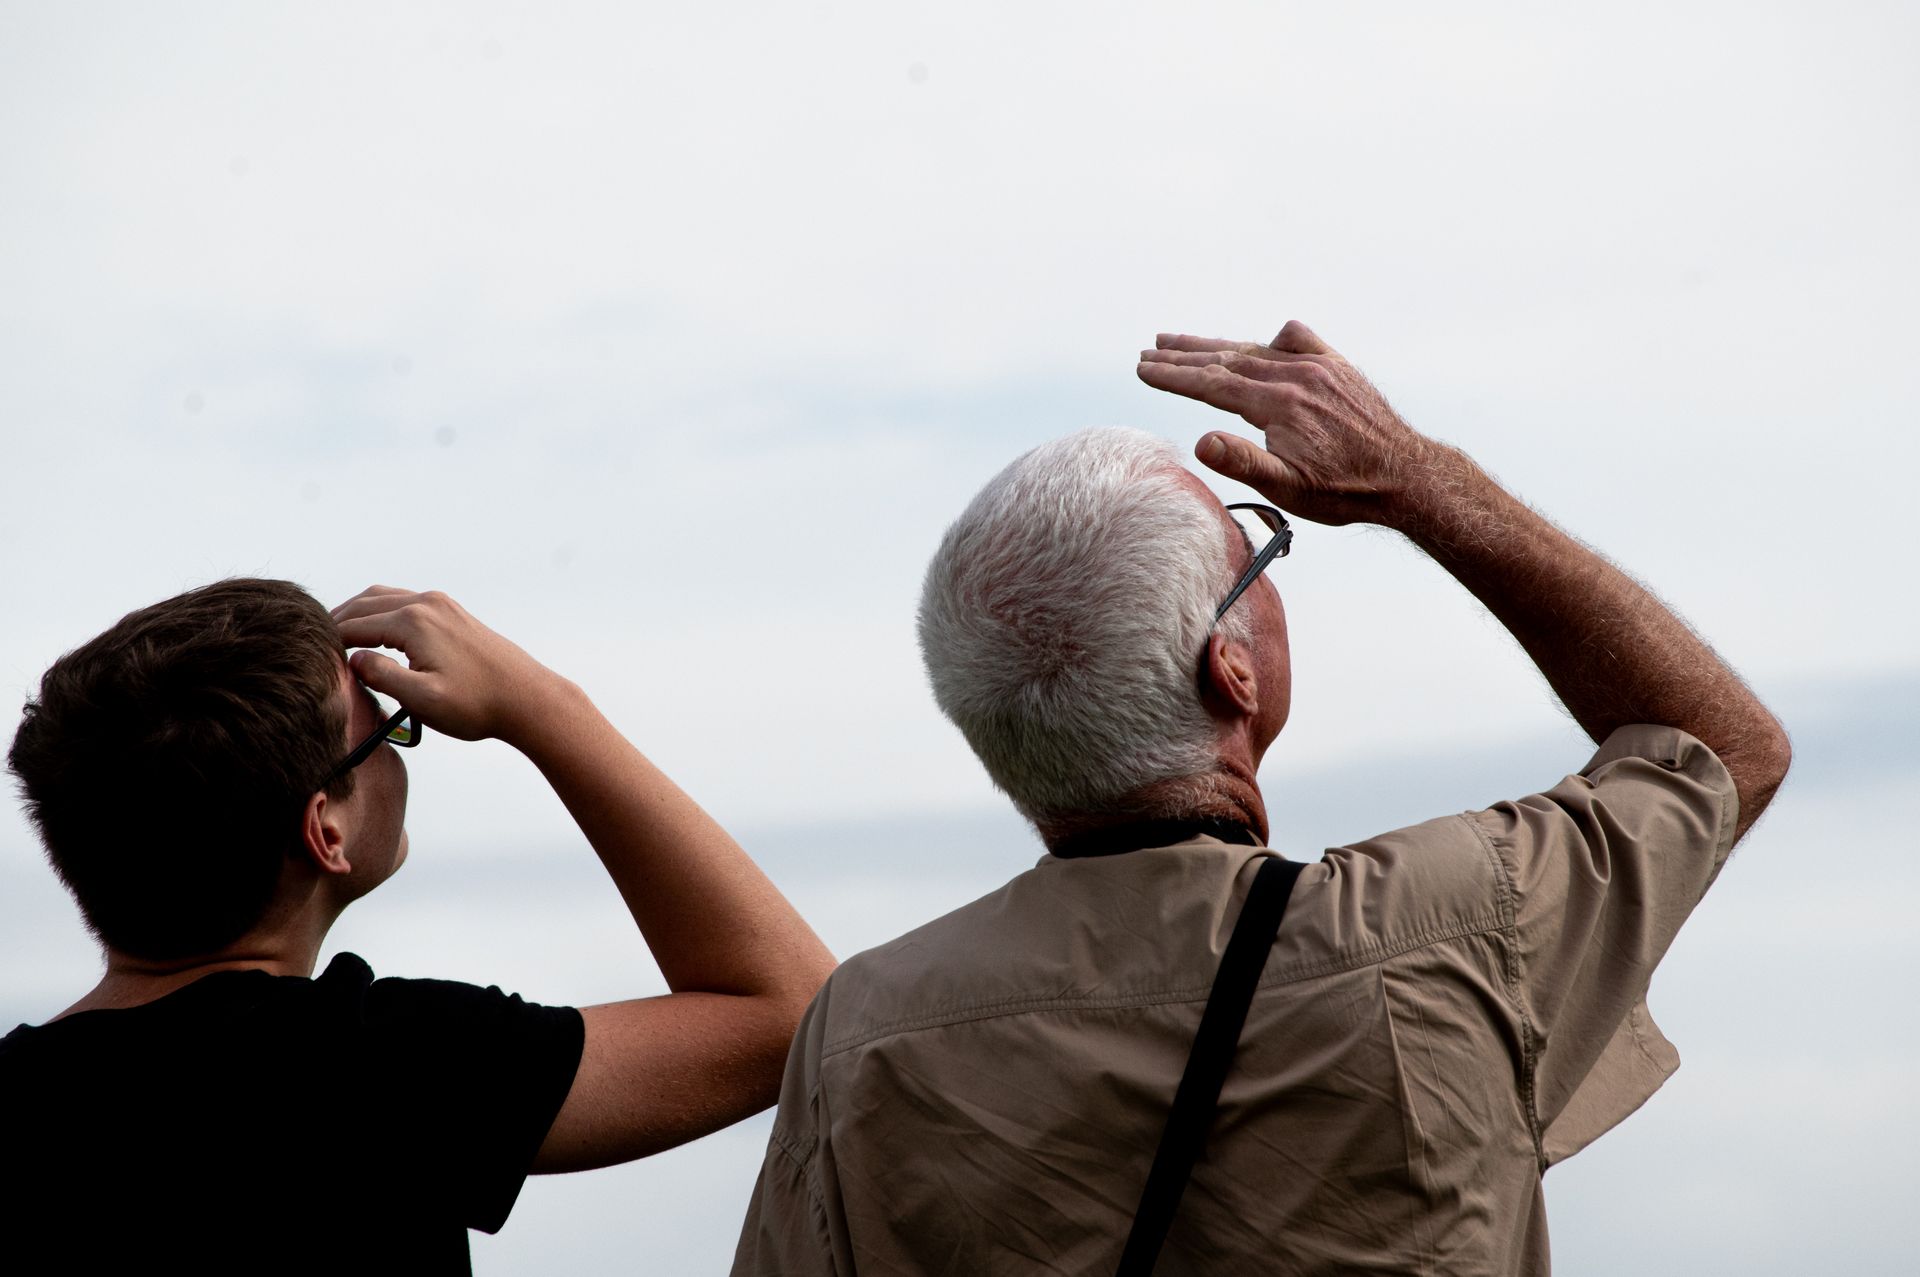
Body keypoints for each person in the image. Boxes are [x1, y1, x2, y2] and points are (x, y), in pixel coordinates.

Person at [731, 320, 1791, 1275]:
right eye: (1259, 553)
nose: (1273, 573)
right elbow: (1720, 748)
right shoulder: (1456, 923)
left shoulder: (862, 1035)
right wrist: (1415, 480)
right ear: (1228, 669)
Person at [3, 579, 836, 1271]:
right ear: (324, 828)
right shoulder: (381, 1065)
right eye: (388, 732)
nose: (402, 749)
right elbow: (799, 1012)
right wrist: (541, 705)